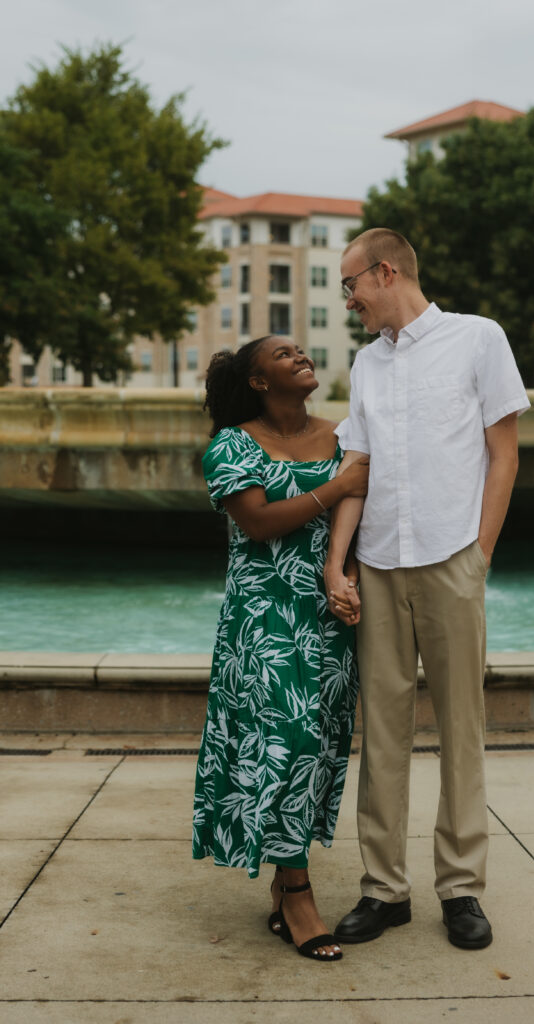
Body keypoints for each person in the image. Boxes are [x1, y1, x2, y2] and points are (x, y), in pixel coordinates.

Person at [324, 228, 530, 950]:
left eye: (350, 283)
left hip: (450, 559)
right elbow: (357, 462)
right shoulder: (364, 363)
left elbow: (503, 455)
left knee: (460, 730)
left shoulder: (478, 339)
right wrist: (336, 563)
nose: (346, 298)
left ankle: (461, 887)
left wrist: (478, 555)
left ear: (384, 272)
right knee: (379, 734)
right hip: (377, 565)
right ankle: (384, 890)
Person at [192, 336, 369, 962]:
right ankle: (296, 891)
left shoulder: (342, 435)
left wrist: (342, 572)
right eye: (282, 353)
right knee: (284, 739)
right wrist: (336, 486)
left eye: (301, 349)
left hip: (328, 614)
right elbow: (259, 523)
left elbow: (359, 498)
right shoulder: (232, 444)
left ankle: (284, 871)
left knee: (317, 743)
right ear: (259, 381)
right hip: (263, 618)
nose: (299, 355)